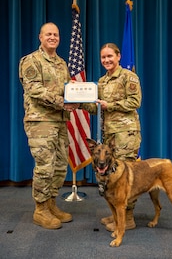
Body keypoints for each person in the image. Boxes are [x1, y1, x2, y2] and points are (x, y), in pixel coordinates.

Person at [19, 22, 79, 229]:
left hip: (60, 121)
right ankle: (41, 209)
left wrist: (78, 94)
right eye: (48, 34)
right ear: (40, 37)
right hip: (41, 122)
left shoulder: (61, 63)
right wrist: (64, 102)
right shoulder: (30, 61)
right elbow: (35, 90)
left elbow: (65, 90)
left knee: (61, 166)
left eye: (56, 34)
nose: (53, 37)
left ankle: (52, 204)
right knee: (45, 166)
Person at [82, 43, 142, 232]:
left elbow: (135, 101)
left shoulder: (128, 76)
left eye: (110, 56)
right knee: (112, 176)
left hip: (126, 135)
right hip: (110, 136)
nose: (106, 60)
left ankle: (129, 218)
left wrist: (111, 105)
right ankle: (118, 213)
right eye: (103, 57)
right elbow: (97, 107)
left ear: (118, 57)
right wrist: (79, 102)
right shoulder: (101, 81)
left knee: (126, 177)